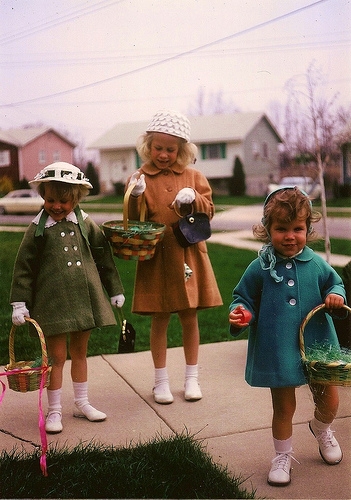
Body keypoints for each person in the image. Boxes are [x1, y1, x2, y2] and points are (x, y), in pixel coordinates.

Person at [228, 186, 346, 487]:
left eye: (298, 228)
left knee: (330, 399)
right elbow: (243, 297)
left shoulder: (317, 263)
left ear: (308, 228)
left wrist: (334, 296)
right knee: (283, 406)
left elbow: (336, 284)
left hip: (318, 343)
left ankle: (321, 428)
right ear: (267, 229)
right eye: (281, 229)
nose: (290, 236)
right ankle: (282, 456)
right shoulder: (260, 267)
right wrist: (242, 312)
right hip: (278, 345)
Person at [10, 162, 125, 434]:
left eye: (64, 200)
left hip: (85, 300)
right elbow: (23, 267)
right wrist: (19, 302)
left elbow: (102, 256)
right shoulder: (37, 229)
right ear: (43, 197)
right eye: (50, 199)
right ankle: (55, 410)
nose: (57, 206)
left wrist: (115, 289)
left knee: (81, 353)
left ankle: (82, 403)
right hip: (53, 304)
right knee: (56, 358)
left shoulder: (84, 223)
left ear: (76, 198)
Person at [126, 109, 222, 404]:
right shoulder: (141, 176)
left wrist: (195, 199)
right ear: (148, 146)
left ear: (182, 150)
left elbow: (210, 210)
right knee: (160, 317)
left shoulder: (193, 176)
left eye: (170, 149)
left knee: (189, 315)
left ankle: (192, 378)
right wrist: (135, 195)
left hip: (188, 254)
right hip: (157, 256)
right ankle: (160, 382)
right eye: (158, 148)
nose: (164, 155)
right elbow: (132, 220)